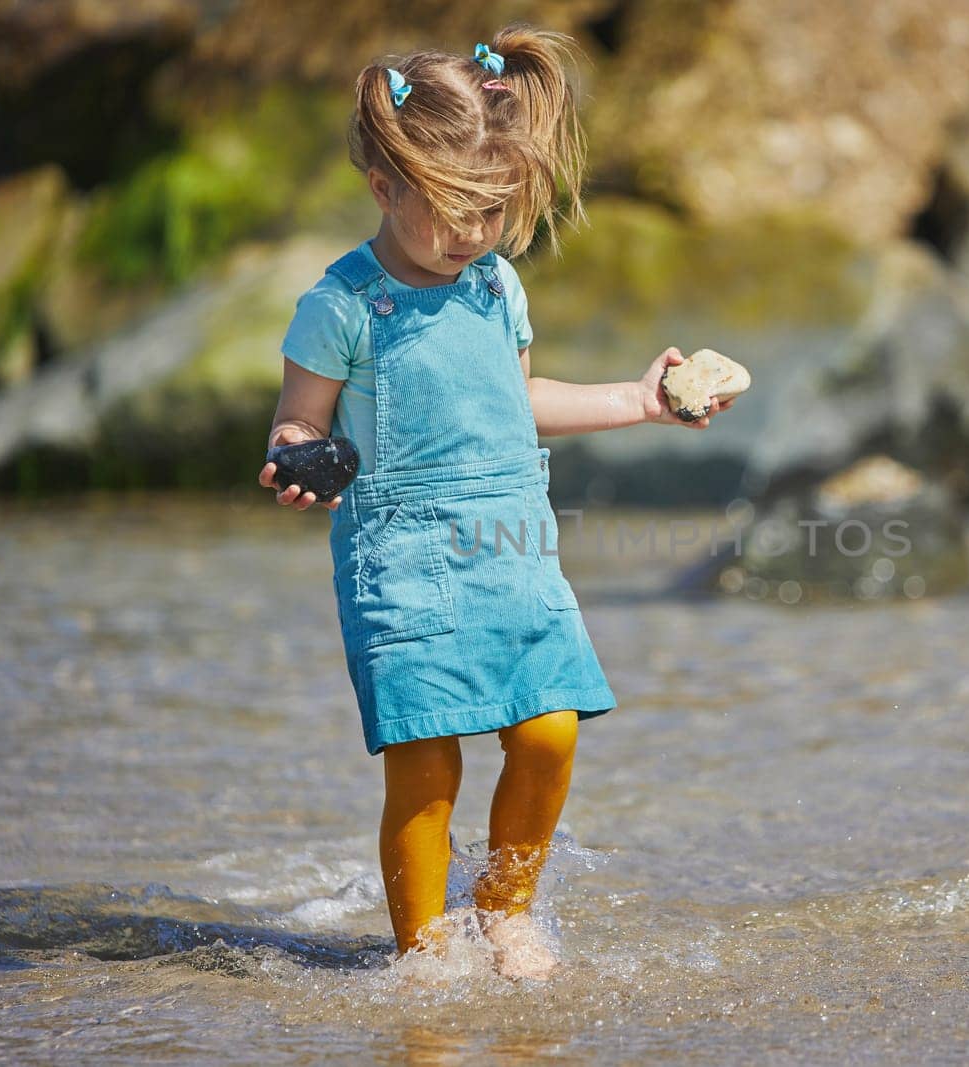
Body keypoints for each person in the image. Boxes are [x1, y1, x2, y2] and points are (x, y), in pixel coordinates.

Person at [257, 26, 735, 980]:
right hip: (400, 556)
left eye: (494, 210)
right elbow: (294, 423)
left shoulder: (494, 284)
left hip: (512, 541)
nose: (476, 234)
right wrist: (304, 460)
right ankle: (423, 947)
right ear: (386, 185)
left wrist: (636, 403)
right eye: (457, 211)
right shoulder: (341, 304)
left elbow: (517, 399)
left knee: (550, 728)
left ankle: (505, 908)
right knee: (427, 764)